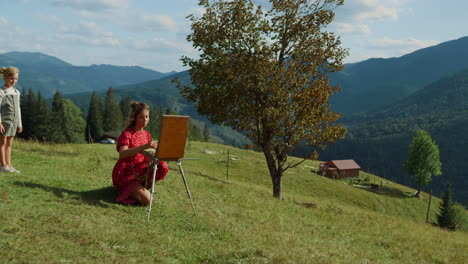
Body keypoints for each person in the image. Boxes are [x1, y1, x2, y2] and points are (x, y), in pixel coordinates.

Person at [112, 102, 168, 205]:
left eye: (147, 117)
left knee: (163, 166)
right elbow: (122, 154)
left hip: (140, 171)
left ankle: (138, 189)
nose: (145, 120)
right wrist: (143, 147)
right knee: (148, 201)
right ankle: (126, 191)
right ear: (134, 118)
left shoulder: (147, 134)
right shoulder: (127, 133)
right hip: (125, 173)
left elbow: (147, 155)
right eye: (141, 117)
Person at [0, 66, 22, 173]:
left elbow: (18, 108)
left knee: (9, 144)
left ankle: (9, 165)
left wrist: (19, 124)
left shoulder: (16, 92)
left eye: (16, 79)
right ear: (5, 78)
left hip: (14, 122)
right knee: (2, 143)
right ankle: (3, 165)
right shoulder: (2, 91)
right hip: (4, 122)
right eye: (11, 78)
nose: (14, 81)